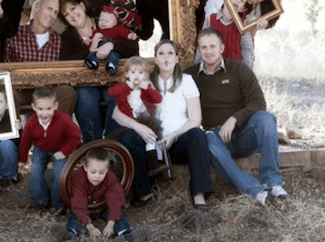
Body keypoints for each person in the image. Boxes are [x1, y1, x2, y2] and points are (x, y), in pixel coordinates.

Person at [186, 28, 288, 205]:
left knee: (266, 118)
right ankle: (255, 191)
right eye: (204, 47)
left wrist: (234, 119)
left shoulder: (238, 69)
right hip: (217, 139)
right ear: (199, 50)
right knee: (207, 138)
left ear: (222, 48)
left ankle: (273, 182)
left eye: (212, 46)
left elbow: (258, 102)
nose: (208, 51)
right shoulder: (190, 76)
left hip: (244, 135)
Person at [113, 40, 214, 208]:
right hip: (152, 143)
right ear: (156, 59)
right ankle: (143, 194)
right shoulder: (145, 81)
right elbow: (116, 113)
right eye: (161, 54)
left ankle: (199, 196)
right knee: (128, 136)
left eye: (170, 53)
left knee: (197, 134)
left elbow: (195, 119)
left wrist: (174, 137)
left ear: (176, 59)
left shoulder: (186, 81)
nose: (166, 58)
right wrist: (139, 127)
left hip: (178, 142)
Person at [59, 0, 139, 143]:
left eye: (73, 8)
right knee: (85, 98)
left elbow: (132, 46)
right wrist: (90, 52)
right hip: (86, 82)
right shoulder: (67, 36)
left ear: (82, 5)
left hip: (112, 77)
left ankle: (112, 145)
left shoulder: (105, 20)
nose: (72, 15)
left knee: (117, 96)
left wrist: (112, 45)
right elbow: (65, 62)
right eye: (66, 14)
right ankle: (93, 146)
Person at [5, 0, 77, 114]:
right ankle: (20, 132)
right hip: (21, 90)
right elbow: (6, 66)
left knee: (67, 92)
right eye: (49, 9)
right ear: (37, 7)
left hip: (48, 90)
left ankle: (55, 131)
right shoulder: (16, 34)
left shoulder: (58, 40)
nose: (52, 15)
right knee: (7, 93)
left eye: (55, 12)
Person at [19, 87, 81, 214]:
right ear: (34, 107)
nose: (44, 113)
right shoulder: (31, 122)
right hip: (41, 149)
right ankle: (40, 201)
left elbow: (75, 136)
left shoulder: (63, 119)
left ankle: (58, 205)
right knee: (36, 170)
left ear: (55, 106)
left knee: (59, 174)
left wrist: (64, 151)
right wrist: (22, 159)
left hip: (60, 149)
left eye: (49, 109)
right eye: (40, 109)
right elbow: (25, 140)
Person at [107, 56, 164, 175]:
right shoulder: (123, 87)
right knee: (130, 138)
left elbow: (158, 99)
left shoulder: (146, 88)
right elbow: (111, 93)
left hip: (145, 120)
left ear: (145, 75)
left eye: (140, 72)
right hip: (129, 122)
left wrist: (147, 88)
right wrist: (127, 86)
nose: (136, 75)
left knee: (150, 136)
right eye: (133, 72)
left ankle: (153, 162)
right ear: (127, 74)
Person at [65, 147, 132, 238]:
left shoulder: (110, 178)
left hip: (103, 207)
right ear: (85, 167)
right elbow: (78, 202)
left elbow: (115, 199)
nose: (97, 176)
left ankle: (124, 235)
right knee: (75, 216)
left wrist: (110, 224)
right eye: (93, 172)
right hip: (86, 207)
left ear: (107, 170)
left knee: (118, 216)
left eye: (102, 172)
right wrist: (90, 227)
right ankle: (71, 234)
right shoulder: (79, 177)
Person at [200, 0, 254, 68]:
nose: (237, 0)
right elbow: (201, 44)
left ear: (242, 8)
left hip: (234, 72)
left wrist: (247, 75)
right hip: (212, 70)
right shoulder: (210, 19)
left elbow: (248, 52)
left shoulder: (243, 26)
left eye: (242, 0)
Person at [84, 6, 138, 75]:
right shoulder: (97, 31)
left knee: (114, 55)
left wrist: (130, 36)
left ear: (114, 22)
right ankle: (92, 62)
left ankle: (111, 65)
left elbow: (125, 34)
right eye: (101, 20)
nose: (103, 22)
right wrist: (87, 42)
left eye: (106, 21)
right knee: (92, 52)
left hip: (112, 49)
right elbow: (91, 42)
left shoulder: (118, 28)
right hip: (99, 48)